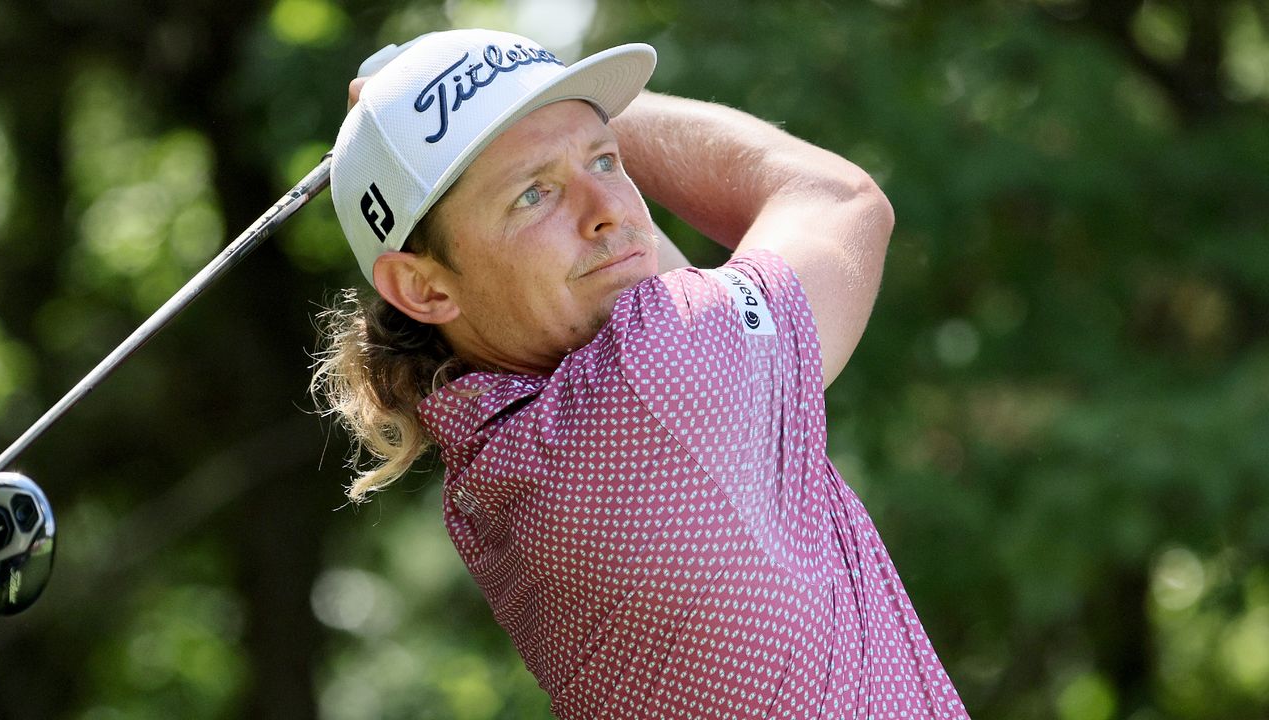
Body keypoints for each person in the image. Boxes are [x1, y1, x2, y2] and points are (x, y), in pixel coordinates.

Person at [315, 28, 970, 719]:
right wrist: (538, 87)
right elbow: (840, 200)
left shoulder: (501, 451)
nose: (610, 212)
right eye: (533, 196)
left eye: (605, 159)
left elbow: (624, 266)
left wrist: (504, 98)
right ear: (424, 289)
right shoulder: (654, 384)